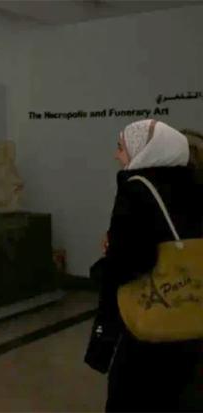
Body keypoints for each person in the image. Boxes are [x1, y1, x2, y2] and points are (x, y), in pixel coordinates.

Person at [91, 119, 202, 412]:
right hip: (193, 317)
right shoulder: (193, 185)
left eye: (121, 147)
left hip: (152, 324)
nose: (117, 155)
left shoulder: (136, 189)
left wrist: (105, 263)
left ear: (144, 149)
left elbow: (131, 262)